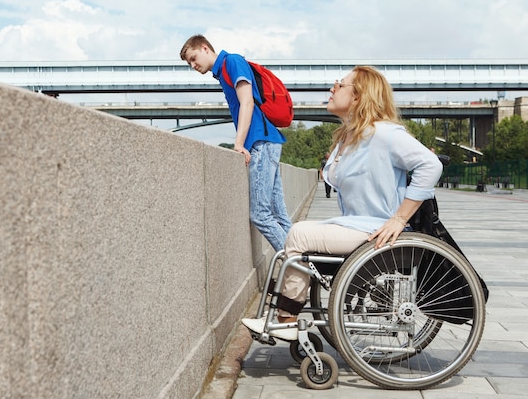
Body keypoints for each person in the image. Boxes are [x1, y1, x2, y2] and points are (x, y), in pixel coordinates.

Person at [243, 66, 443, 340]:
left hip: (376, 231)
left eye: (339, 85)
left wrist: (399, 219)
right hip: (356, 227)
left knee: (298, 233)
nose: (332, 89)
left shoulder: (384, 134)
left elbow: (430, 164)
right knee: (296, 243)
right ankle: (283, 316)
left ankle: (286, 320)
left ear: (359, 96)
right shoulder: (350, 138)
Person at [179, 35, 292, 251]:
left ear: (205, 48)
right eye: (189, 63)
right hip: (266, 142)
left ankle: (299, 266)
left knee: (260, 215)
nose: (193, 65)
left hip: (261, 142)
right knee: (278, 214)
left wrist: (239, 144)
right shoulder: (223, 71)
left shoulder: (232, 62)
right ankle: (306, 269)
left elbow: (247, 102)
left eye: (194, 58)